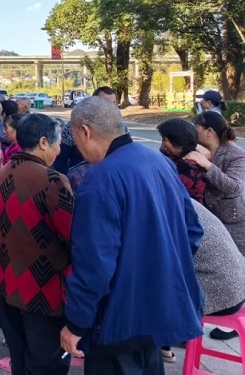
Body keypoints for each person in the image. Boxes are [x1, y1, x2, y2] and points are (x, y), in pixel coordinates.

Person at [60, 96, 203, 372]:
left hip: (119, 319)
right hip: (161, 307)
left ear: (85, 132)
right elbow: (193, 230)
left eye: (74, 138)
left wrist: (76, 324)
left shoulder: (100, 179)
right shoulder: (159, 162)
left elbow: (94, 265)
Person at [0, 114, 74, 375]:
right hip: (42, 292)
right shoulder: (52, 180)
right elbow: (72, 237)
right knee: (47, 364)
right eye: (57, 143)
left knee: (20, 359)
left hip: (6, 286)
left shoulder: (2, 173)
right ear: (43, 142)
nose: (59, 150)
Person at [162, 200, 245, 362]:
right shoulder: (177, 197)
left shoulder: (163, 204)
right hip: (237, 287)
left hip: (222, 295)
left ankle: (158, 342)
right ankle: (163, 343)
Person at [188, 111, 245, 256]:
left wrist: (208, 165)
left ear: (209, 131)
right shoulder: (193, 150)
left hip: (230, 223)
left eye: (195, 127)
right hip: (204, 221)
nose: (192, 131)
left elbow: (234, 187)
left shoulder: (235, 154)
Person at [157, 118, 207, 203]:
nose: (162, 143)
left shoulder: (188, 165)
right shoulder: (176, 155)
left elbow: (169, 192)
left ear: (179, 144)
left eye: (165, 140)